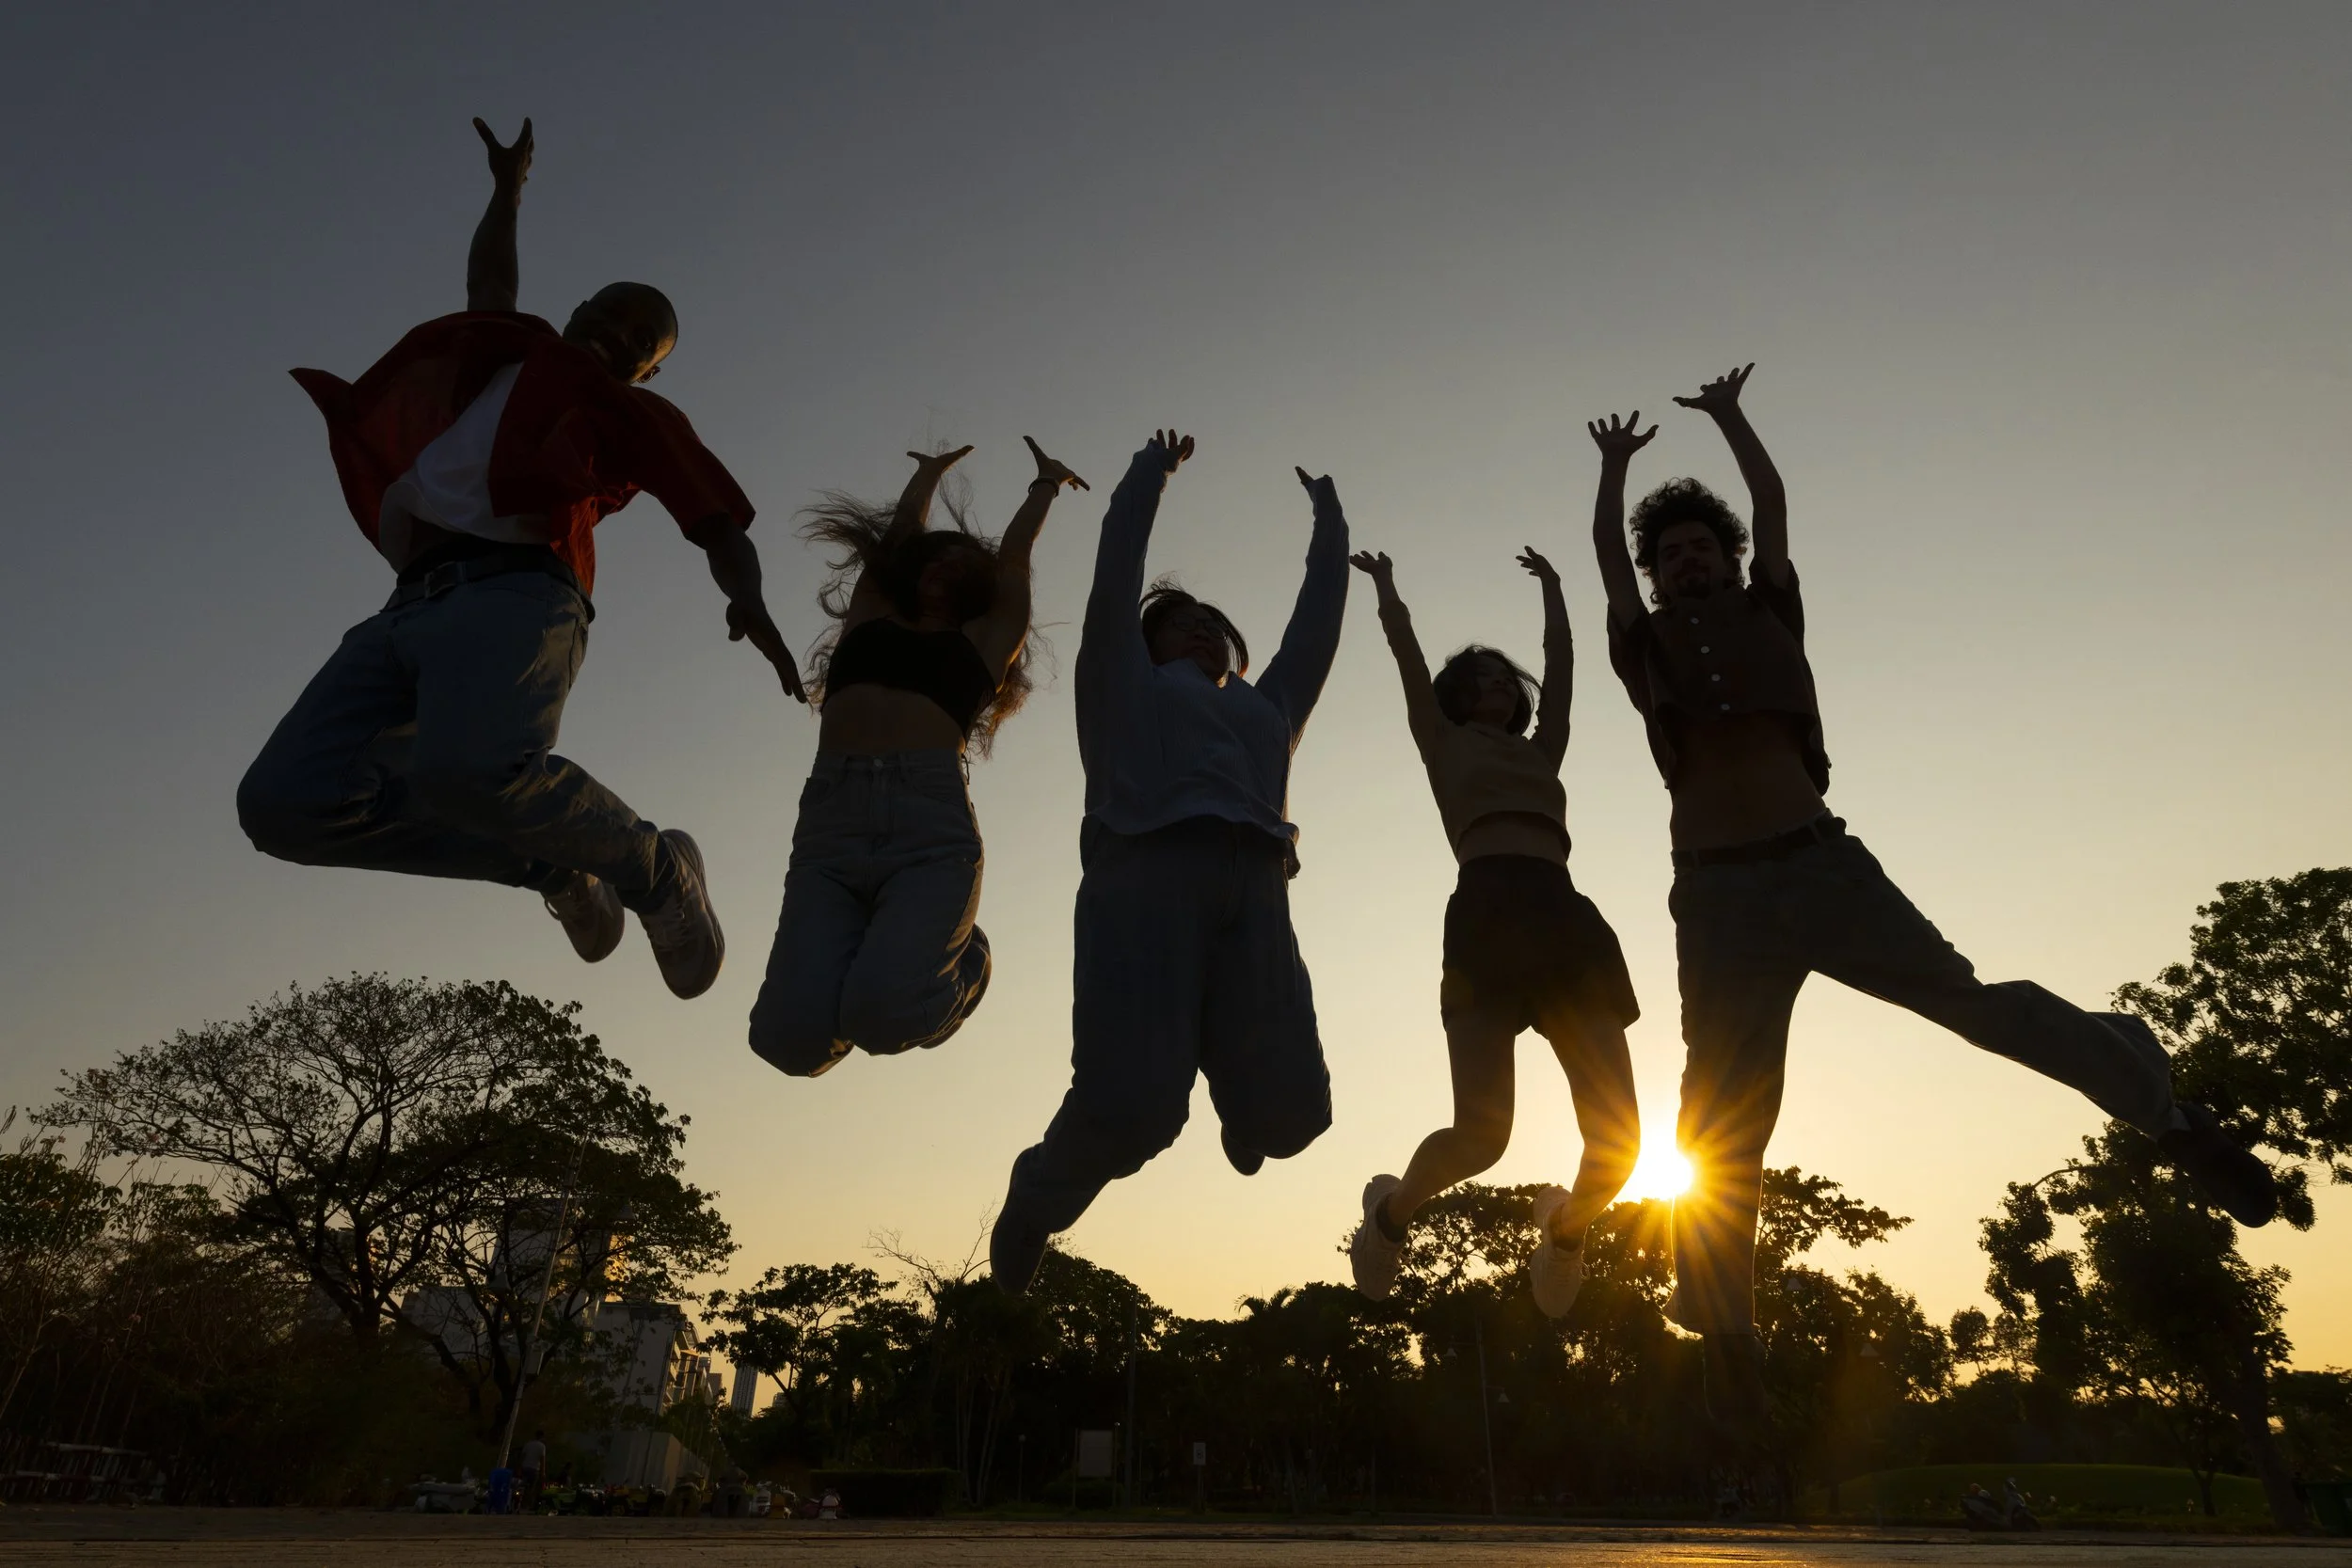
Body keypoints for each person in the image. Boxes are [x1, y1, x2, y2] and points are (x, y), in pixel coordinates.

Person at [1585, 362, 2280, 1432]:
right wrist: (1614, 474)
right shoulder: (1645, 646)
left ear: (1726, 563)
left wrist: (1731, 420)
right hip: (1719, 898)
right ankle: (1730, 1341)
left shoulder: (1772, 604)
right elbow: (1606, 563)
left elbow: (1769, 509)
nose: (1687, 563)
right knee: (1720, 1120)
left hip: (1821, 866)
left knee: (1975, 1004)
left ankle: (2168, 1115)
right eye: (1669, 555)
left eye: (1700, 550)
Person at [236, 119, 801, 998]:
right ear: (574, 311)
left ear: (647, 373)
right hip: (406, 607)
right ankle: (551, 867)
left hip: (519, 598)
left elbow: (718, 519)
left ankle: (654, 870)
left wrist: (749, 599)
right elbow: (488, 278)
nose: (618, 334)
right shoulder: (505, 353)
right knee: (284, 804)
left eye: (639, 339)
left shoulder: (631, 415)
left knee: (470, 771)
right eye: (610, 313)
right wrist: (508, 190)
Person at [990, 433, 1350, 1292]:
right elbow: (1117, 573)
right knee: (1134, 1108)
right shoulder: (1124, 685)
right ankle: (1034, 1200)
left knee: (1295, 1114)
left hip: (1258, 887)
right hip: (1144, 875)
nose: (1197, 630)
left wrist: (1330, 522)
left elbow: (1317, 628)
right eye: (1177, 623)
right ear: (1144, 644)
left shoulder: (1268, 711)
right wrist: (1149, 474)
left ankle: (1245, 1103)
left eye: (1210, 626)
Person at [1343, 546, 1640, 1317]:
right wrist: (1387, 589)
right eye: (1483, 679)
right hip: (1485, 914)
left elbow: (1565, 676)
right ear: (1458, 697)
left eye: (1509, 680)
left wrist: (1556, 591)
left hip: (1564, 916)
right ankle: (1389, 1218)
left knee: (1621, 1144)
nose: (1501, 688)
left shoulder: (1544, 748)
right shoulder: (1442, 743)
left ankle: (1565, 1232)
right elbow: (1408, 662)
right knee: (1483, 1134)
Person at [748, 439, 1087, 1076]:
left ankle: (967, 963)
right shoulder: (871, 613)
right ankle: (872, 969)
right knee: (787, 1043)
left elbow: (1015, 562)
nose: (943, 565)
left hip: (928, 829)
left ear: (976, 588)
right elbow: (899, 539)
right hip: (832, 825)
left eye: (961, 563)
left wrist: (1044, 485)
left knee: (884, 1020)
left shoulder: (985, 642)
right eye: (937, 557)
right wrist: (926, 476)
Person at [518, 1429, 548, 1510]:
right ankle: (527, 1504)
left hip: (525, 1467)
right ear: (542, 1437)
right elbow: (542, 1460)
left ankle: (520, 1502)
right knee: (531, 1488)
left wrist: (519, 1468)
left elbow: (522, 1457)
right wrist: (543, 1472)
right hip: (534, 1469)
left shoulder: (528, 1444)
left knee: (523, 1486)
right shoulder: (542, 1446)